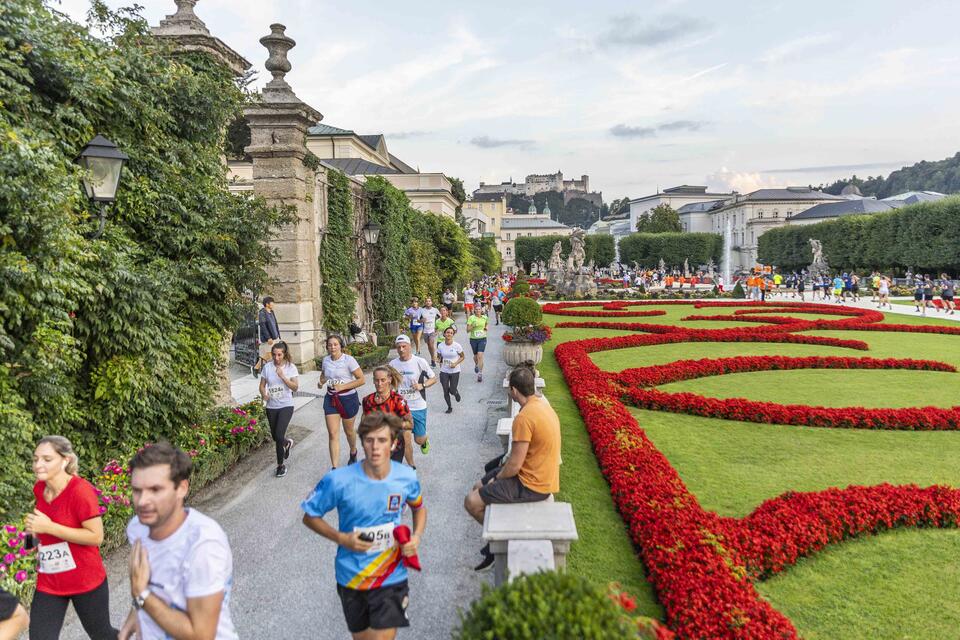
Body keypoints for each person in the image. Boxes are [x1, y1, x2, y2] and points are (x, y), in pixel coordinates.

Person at [302, 413, 427, 640]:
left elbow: (419, 508)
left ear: (395, 443)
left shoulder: (406, 477)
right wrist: (342, 539)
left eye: (382, 440)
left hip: (391, 574)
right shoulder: (338, 480)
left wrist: (416, 536)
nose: (375, 447)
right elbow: (310, 515)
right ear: (361, 442)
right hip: (352, 575)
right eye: (369, 440)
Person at [119, 443, 237, 640]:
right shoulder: (137, 528)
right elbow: (153, 587)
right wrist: (136, 615)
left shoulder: (203, 546)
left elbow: (201, 635)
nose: (142, 501)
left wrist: (141, 595)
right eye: (137, 490)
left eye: (155, 489)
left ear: (182, 488)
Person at [463, 366, 561, 571]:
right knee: (477, 485)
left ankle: (500, 544)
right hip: (538, 475)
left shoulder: (524, 418)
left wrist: (496, 479)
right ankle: (494, 542)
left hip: (532, 485)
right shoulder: (541, 406)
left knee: (472, 502)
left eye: (509, 389)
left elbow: (514, 465)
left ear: (514, 390)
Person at [25, 435, 117, 640]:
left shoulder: (80, 491)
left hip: (85, 581)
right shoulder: (40, 488)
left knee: (102, 635)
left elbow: (96, 536)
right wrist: (30, 539)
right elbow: (39, 522)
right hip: (50, 581)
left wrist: (49, 527)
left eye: (47, 459)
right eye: (35, 459)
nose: (38, 465)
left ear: (65, 460)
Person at [319, 335, 365, 469]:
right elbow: (324, 375)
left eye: (335, 344)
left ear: (340, 346)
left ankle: (353, 451)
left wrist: (342, 387)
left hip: (348, 399)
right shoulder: (325, 360)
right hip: (331, 399)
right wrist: (321, 382)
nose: (332, 347)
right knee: (333, 433)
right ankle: (335, 469)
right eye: (330, 345)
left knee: (349, 431)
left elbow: (361, 379)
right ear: (327, 347)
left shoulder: (349, 360)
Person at [390, 335, 437, 456]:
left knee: (418, 440)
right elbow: (389, 383)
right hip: (401, 407)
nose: (401, 349)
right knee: (405, 439)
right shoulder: (392, 364)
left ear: (410, 346)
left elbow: (433, 378)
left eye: (404, 346)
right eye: (398, 347)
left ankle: (424, 440)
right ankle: (410, 467)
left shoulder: (420, 362)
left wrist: (422, 386)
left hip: (418, 405)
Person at [259, 341, 299, 478]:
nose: (276, 358)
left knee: (279, 435)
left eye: (279, 355)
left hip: (286, 405)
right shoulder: (267, 367)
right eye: (274, 355)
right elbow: (262, 385)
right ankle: (287, 443)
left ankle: (280, 466)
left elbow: (295, 387)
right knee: (276, 437)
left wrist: (283, 376)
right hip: (271, 406)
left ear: (284, 354)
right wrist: (264, 394)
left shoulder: (291, 367)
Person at [363, 366, 416, 468]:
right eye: (377, 380)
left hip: (395, 447)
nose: (379, 384)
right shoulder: (367, 400)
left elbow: (410, 424)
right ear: (373, 380)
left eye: (383, 380)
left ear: (389, 380)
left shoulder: (398, 401)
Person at [436, 326, 465, 414]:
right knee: (445, 389)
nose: (449, 334)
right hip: (444, 371)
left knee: (452, 390)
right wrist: (438, 360)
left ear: (453, 335)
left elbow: (463, 356)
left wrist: (455, 363)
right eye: (447, 332)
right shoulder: (440, 345)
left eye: (451, 333)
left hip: (455, 371)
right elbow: (439, 357)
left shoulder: (457, 346)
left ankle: (455, 392)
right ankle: (449, 407)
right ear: (444, 334)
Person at [253, 296, 281, 378]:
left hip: (275, 337)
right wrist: (268, 337)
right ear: (267, 304)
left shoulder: (271, 312)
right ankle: (256, 368)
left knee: (273, 354)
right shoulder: (262, 313)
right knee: (269, 354)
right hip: (269, 339)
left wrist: (279, 335)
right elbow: (263, 326)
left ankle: (258, 368)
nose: (273, 304)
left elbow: (275, 324)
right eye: (272, 302)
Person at [466, 304, 489, 383]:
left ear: (481, 310)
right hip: (473, 339)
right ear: (474, 310)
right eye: (476, 309)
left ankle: (480, 373)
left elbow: (486, 324)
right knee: (475, 357)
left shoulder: (485, 317)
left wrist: (486, 328)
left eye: (479, 309)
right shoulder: (471, 318)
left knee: (480, 355)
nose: (478, 311)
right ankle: (476, 365)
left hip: (482, 339)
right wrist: (473, 326)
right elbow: (467, 330)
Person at [419, 297, 441, 368]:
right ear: (425, 303)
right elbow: (418, 320)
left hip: (432, 331)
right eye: (427, 301)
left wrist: (437, 328)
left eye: (429, 301)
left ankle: (433, 359)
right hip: (425, 331)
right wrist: (422, 320)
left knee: (431, 345)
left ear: (431, 302)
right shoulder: (422, 310)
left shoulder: (435, 310)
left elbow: (440, 318)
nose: (428, 302)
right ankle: (432, 359)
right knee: (429, 346)